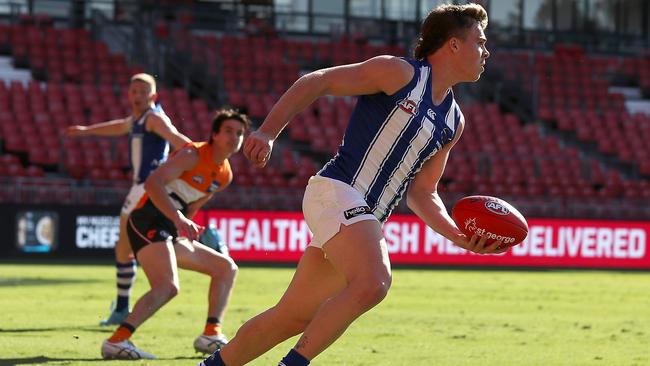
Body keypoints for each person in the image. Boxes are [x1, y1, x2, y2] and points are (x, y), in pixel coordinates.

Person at [200, 4, 506, 366]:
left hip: (361, 216)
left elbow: (424, 193)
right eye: (480, 42)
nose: (486, 52)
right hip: (336, 191)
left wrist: (459, 237)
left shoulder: (454, 121)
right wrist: (267, 131)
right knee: (374, 282)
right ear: (453, 45)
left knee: (292, 317)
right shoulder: (400, 72)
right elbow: (319, 80)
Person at [100, 109, 249, 360]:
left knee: (226, 268)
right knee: (167, 286)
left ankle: (211, 334)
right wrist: (178, 218)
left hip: (169, 227)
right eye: (228, 131)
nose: (234, 137)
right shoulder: (192, 154)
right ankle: (117, 341)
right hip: (147, 218)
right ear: (214, 134)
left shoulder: (225, 174)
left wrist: (186, 224)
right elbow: (153, 184)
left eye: (239, 133)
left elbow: (192, 207)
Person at [65, 73, 191, 326]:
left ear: (153, 96)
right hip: (142, 188)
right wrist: (86, 131)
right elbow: (118, 126)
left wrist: (196, 154)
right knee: (124, 249)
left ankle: (123, 309)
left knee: (127, 248)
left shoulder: (154, 118)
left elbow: (178, 140)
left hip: (145, 189)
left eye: (143, 92)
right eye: (134, 91)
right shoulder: (139, 118)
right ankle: (122, 306)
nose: (137, 96)